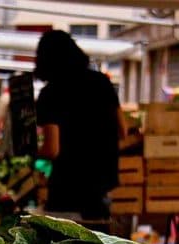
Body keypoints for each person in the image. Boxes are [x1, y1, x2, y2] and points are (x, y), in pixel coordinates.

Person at [35, 30, 124, 220]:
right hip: (101, 186)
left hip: (67, 189)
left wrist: (29, 152)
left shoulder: (50, 94)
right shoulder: (102, 83)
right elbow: (122, 130)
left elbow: (52, 149)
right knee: (98, 243)